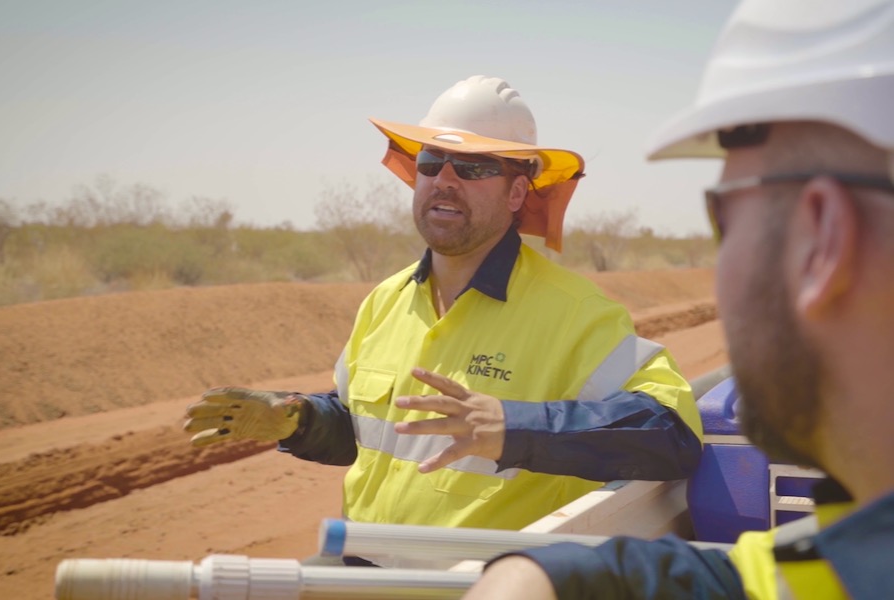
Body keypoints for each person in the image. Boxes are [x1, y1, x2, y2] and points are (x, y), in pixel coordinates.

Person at [462, 1, 894, 598]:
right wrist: (543, 574)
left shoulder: (577, 310)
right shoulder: (859, 545)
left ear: (820, 240)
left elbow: (666, 429)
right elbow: (770, 580)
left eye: (723, 216)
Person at [183, 75, 703, 561]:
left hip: (478, 584)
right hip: (363, 571)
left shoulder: (578, 315)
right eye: (432, 161)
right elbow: (373, 430)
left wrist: (515, 427)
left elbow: (672, 433)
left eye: (474, 167)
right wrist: (300, 419)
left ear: (518, 192)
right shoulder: (385, 300)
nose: (445, 180)